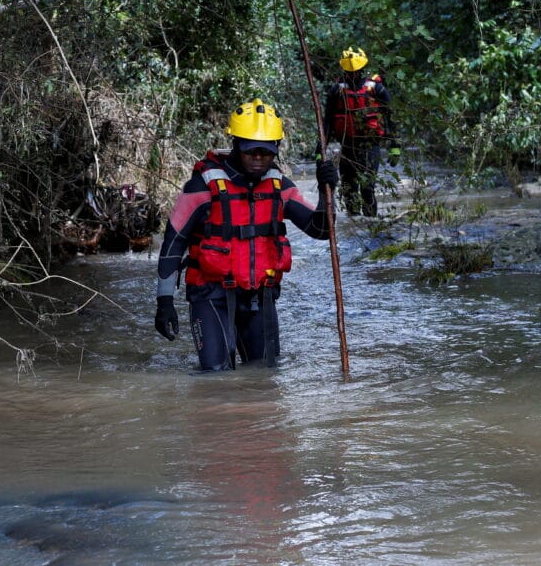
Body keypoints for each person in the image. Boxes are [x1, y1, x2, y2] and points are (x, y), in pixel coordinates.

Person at [153, 98, 339, 370]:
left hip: (259, 297)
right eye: (252, 152)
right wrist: (164, 302)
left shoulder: (279, 186)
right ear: (237, 145)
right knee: (215, 375)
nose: (259, 160)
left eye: (266, 153)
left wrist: (326, 192)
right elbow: (174, 242)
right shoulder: (202, 187)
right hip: (211, 296)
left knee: (264, 375)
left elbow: (320, 230)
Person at [323, 47, 400, 217]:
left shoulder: (376, 89)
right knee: (349, 191)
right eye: (349, 72)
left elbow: (390, 117)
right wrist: (319, 150)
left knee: (367, 189)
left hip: (370, 146)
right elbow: (327, 122)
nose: (352, 75)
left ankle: (371, 224)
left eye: (356, 72)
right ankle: (354, 228)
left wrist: (395, 146)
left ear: (362, 70)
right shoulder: (336, 91)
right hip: (347, 146)